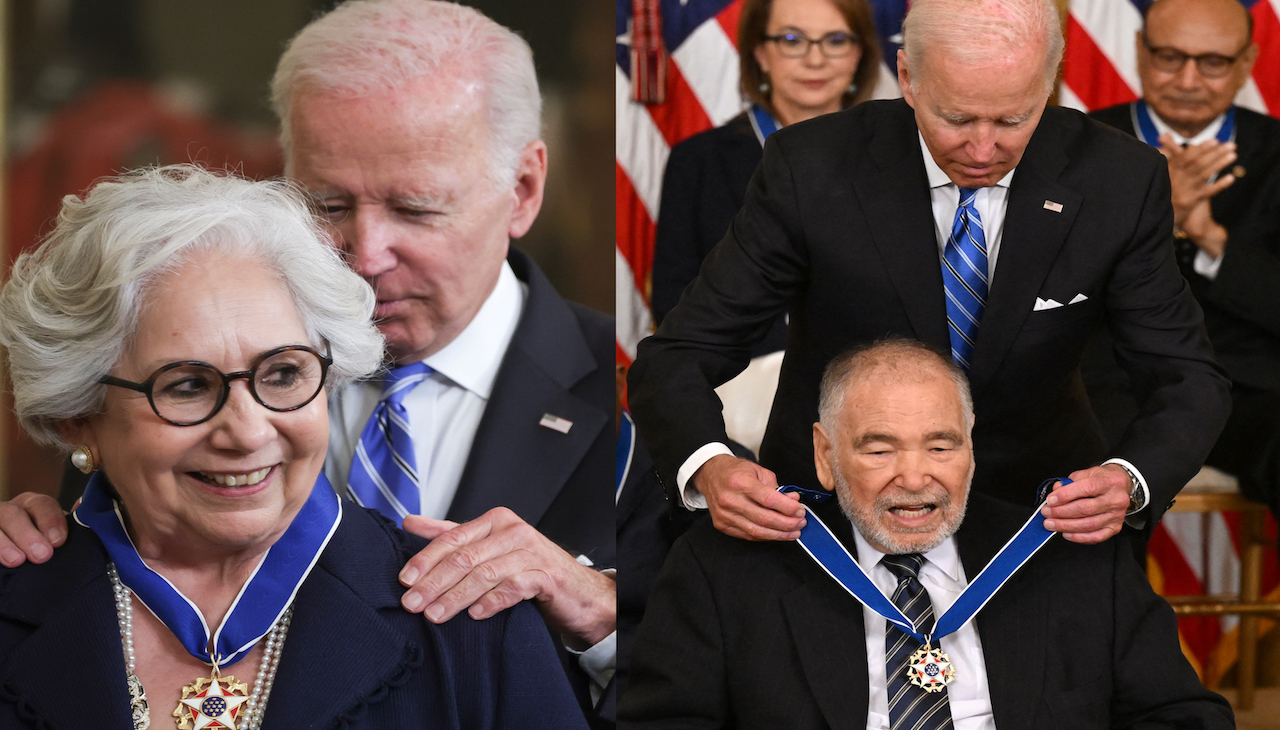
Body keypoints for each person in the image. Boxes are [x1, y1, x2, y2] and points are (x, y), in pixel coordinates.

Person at [0, 1, 618, 721]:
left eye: (415, 208)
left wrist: (608, 619)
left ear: (523, 190)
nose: (366, 254)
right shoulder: (169, 337)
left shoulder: (655, 398)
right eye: (325, 203)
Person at [626, 0, 1230, 549]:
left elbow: (1188, 377)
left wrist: (1130, 478)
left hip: (1038, 521)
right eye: (957, 118)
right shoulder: (808, 167)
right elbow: (678, 355)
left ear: (1048, 86)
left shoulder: (1119, 179)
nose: (983, 147)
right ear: (909, 78)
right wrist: (709, 463)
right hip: (826, 521)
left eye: (1015, 119)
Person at [618, 340, 1234, 729]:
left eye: (941, 445)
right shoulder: (725, 568)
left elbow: (1183, 715)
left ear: (971, 447)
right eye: (879, 448)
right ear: (826, 456)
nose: (914, 478)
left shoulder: (1067, 553)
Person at [1086, 0, 1280, 522]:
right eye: (1170, 57)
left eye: (1213, 62)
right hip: (1111, 388)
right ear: (1140, 51)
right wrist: (1159, 221)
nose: (1189, 79)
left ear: (1246, 63)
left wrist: (1210, 237)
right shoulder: (1072, 146)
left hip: (1253, 396)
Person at [650, 0, 881, 356]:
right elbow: (675, 304)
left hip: (871, 382)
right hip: (738, 385)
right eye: (792, 40)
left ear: (859, 54)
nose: (815, 59)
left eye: (835, 40)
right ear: (760, 53)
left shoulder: (897, 157)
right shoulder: (697, 162)